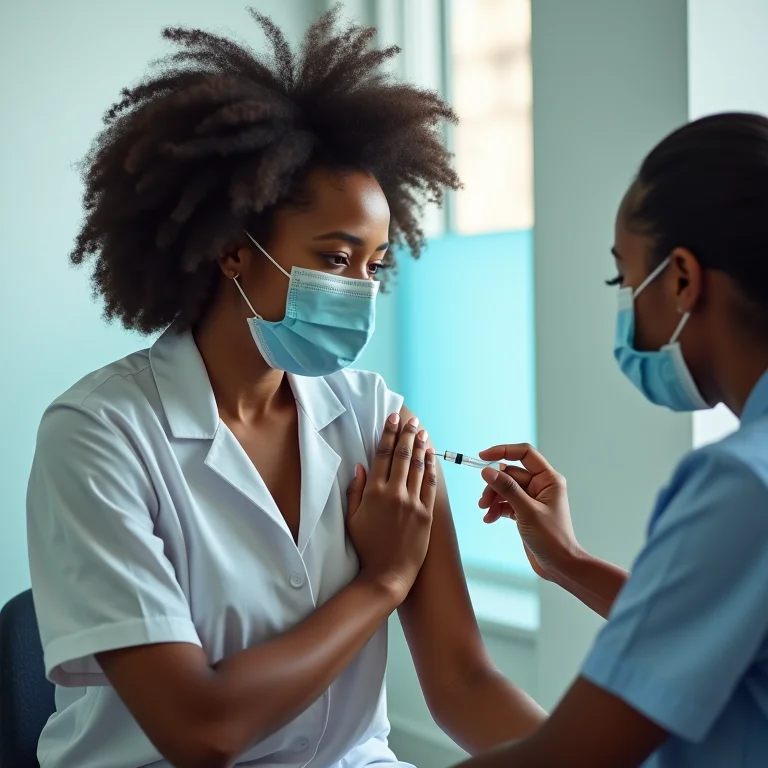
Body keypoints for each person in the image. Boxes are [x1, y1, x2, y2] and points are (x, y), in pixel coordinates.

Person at [25, 8, 544, 768]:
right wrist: (383, 580)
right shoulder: (99, 434)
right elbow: (201, 732)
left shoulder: (375, 419)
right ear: (234, 252)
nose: (361, 289)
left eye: (374, 266)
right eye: (336, 260)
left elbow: (464, 681)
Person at [456, 112, 768, 767]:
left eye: (622, 280)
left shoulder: (740, 484)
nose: (625, 304)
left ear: (682, 280)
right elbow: (715, 624)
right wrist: (566, 559)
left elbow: (569, 755)